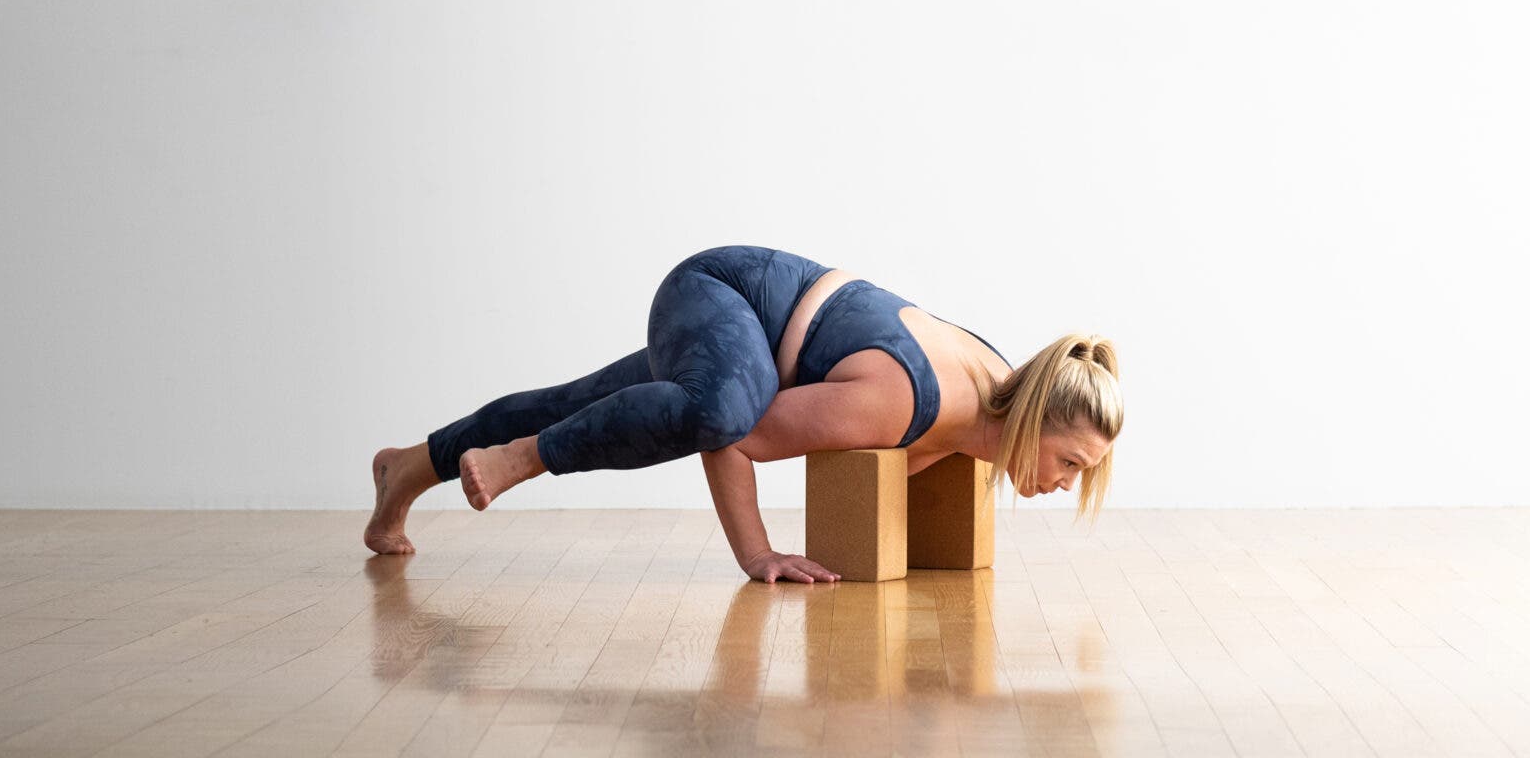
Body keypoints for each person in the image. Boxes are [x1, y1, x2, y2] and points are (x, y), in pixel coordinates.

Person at [362, 244, 1123, 583]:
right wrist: (757, 553)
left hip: (754, 335)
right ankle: (522, 458)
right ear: (1032, 418)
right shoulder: (904, 400)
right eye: (1069, 463)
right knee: (720, 411)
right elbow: (740, 438)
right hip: (720, 292)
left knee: (572, 404)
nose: (1064, 483)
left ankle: (405, 470)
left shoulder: (994, 390)